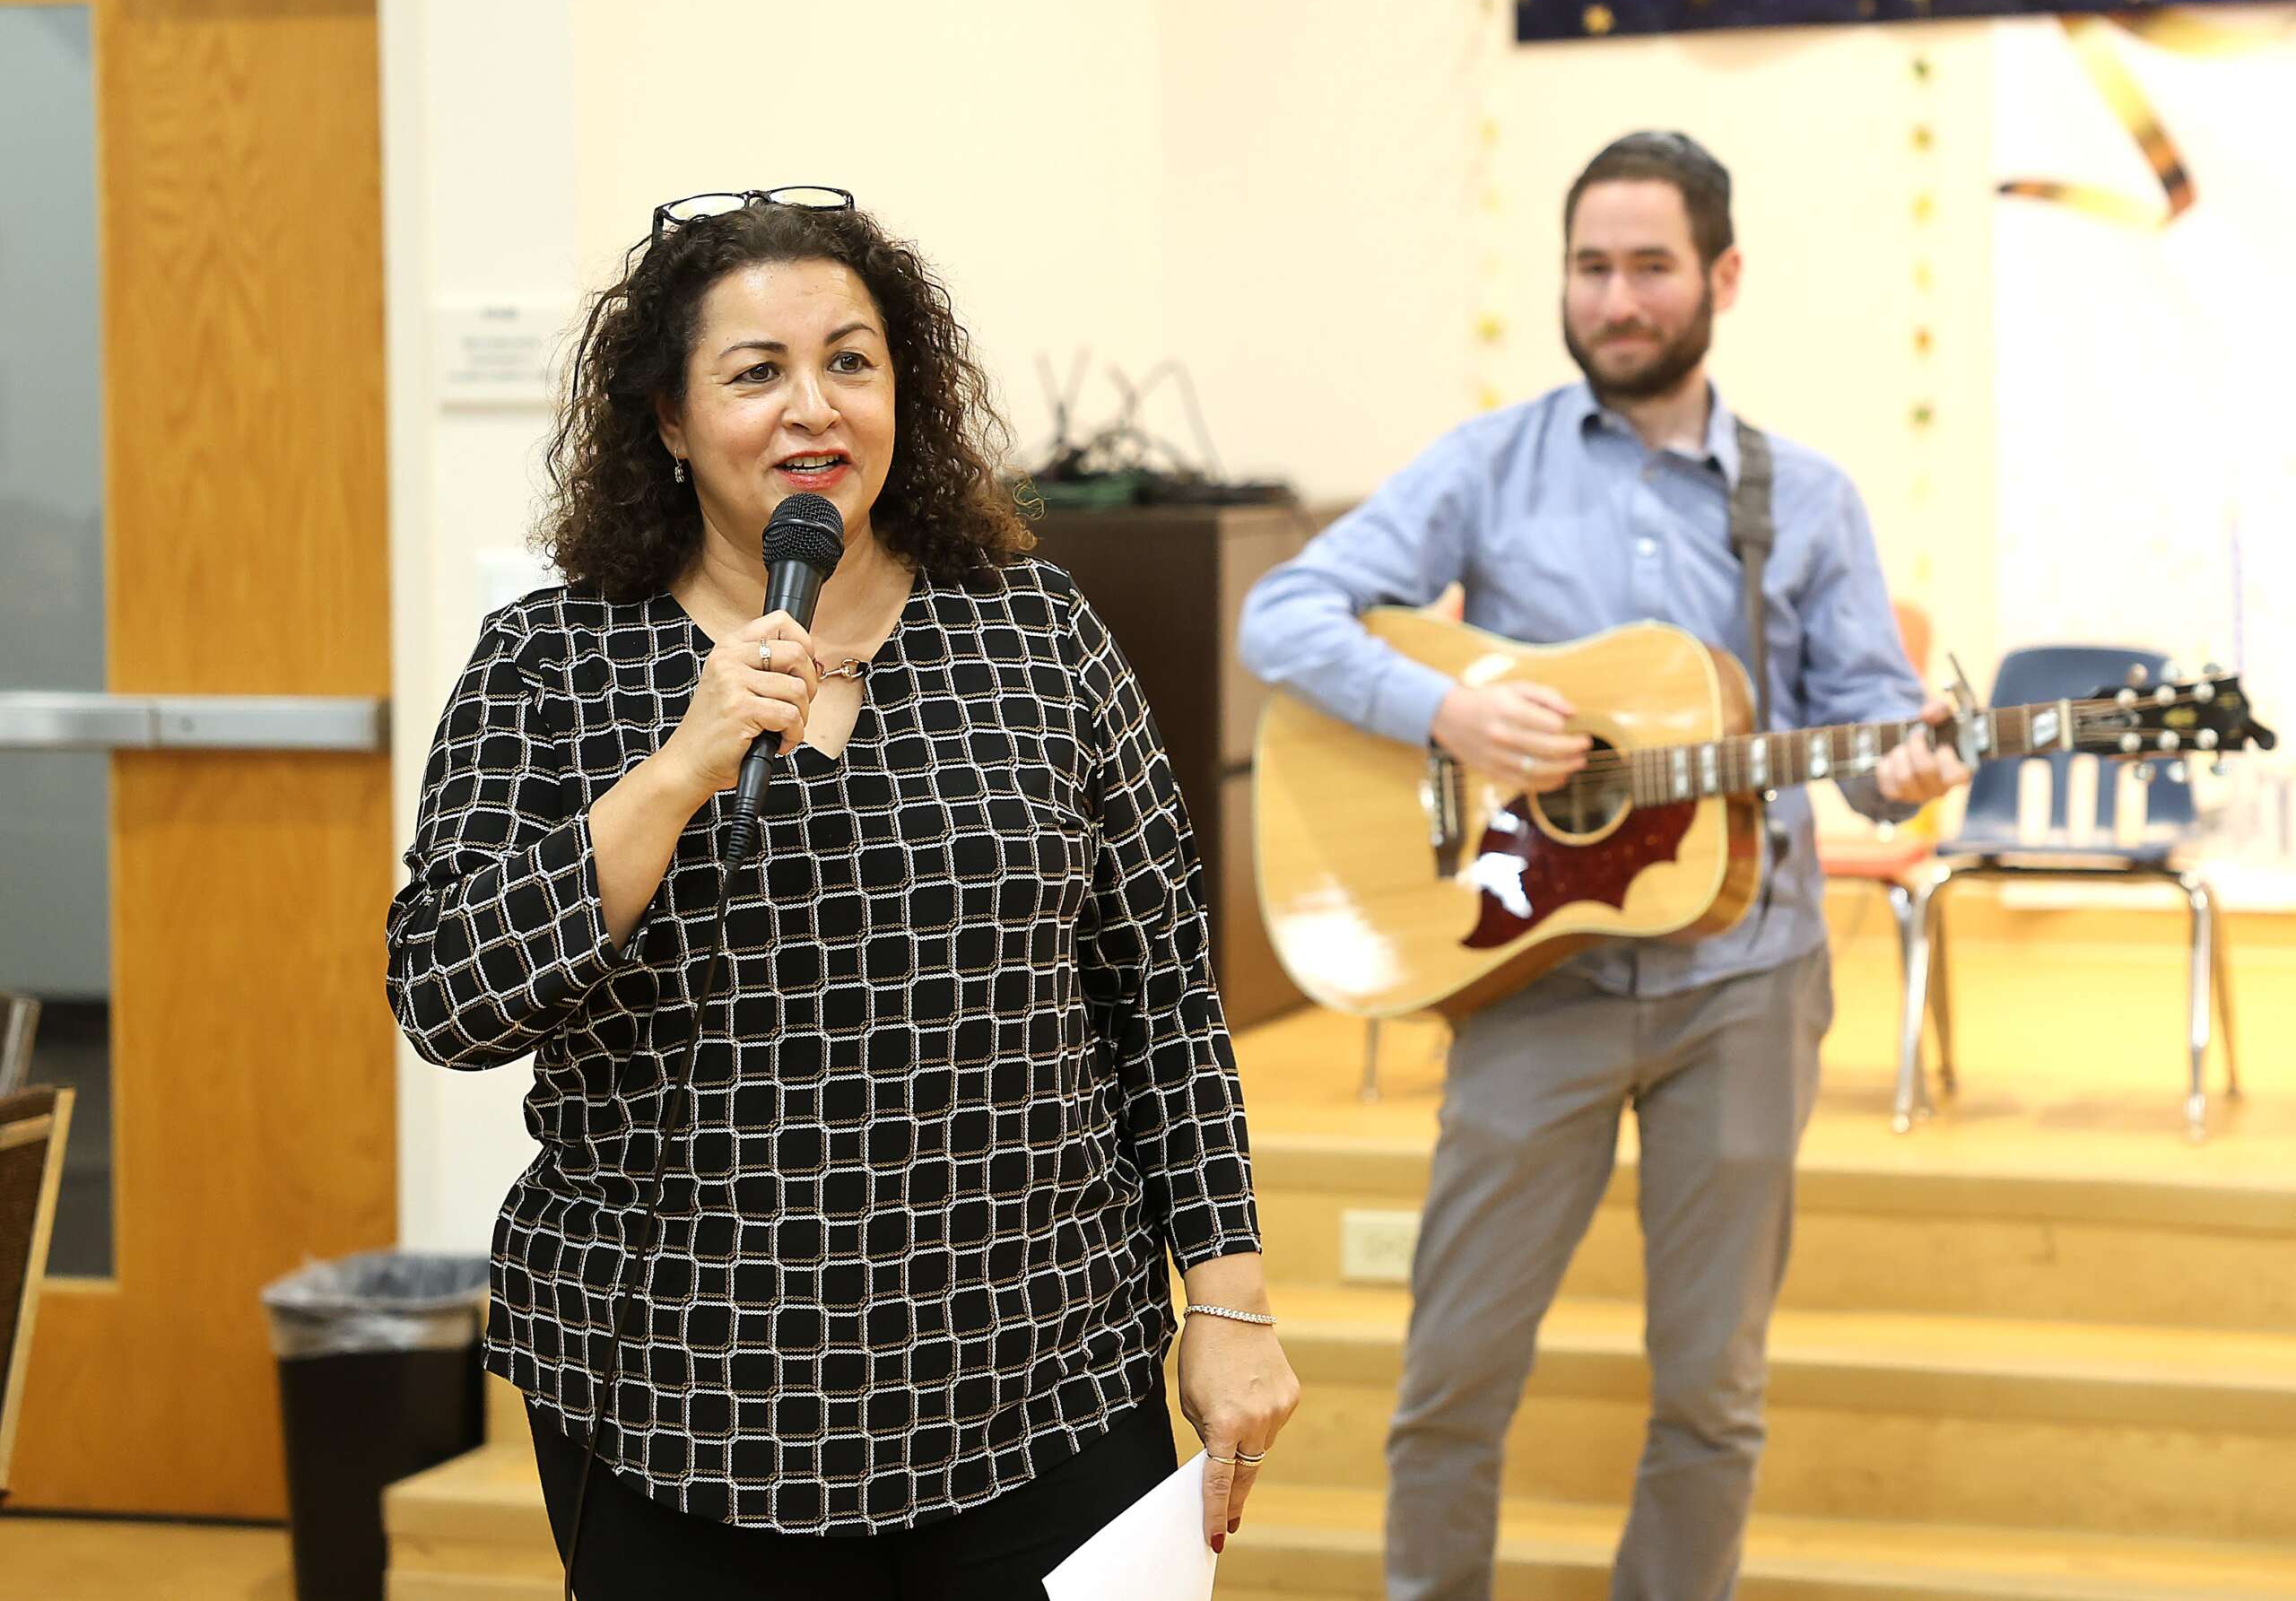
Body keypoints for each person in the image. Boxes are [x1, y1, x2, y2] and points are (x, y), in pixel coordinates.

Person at [387, 187, 1298, 1598]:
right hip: (675, 1406)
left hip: (1043, 1381)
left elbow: (1162, 987)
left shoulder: (1036, 632)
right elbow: (449, 995)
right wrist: (677, 770)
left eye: (851, 362)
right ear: (670, 420)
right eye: (758, 371)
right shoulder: (551, 661)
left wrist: (1227, 1297)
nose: (814, 407)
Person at [1237, 133, 1966, 1601]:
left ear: (1722, 277)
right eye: (1591, 267)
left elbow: (1864, 730)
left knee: (1713, 1392)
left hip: (1743, 984)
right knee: (1453, 1379)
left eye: (1650, 267)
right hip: (1526, 975)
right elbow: (1284, 613)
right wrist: (1443, 710)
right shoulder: (1487, 464)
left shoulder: (1806, 498)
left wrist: (1901, 767)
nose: (1617, 299)